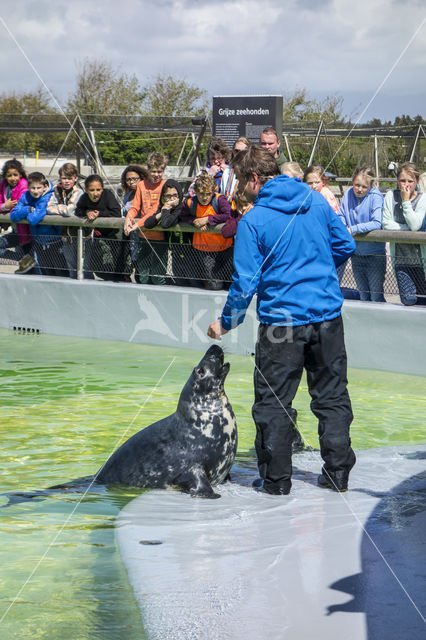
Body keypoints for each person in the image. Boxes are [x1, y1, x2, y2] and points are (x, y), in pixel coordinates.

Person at [207, 146, 356, 495]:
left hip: (281, 323)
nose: (239, 188)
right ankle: (338, 474)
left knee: (274, 402)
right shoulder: (317, 201)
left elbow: (245, 283)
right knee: (332, 396)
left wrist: (226, 322)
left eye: (242, 181)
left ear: (255, 179)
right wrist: (317, 269)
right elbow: (345, 245)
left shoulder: (254, 220)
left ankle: (276, 481)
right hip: (327, 317)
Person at [338, 167, 386, 302]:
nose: (359, 189)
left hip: (374, 255)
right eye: (357, 185)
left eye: (364, 187)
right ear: (352, 182)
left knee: (376, 295)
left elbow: (377, 222)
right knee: (363, 296)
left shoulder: (376, 197)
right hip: (356, 254)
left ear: (371, 186)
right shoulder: (348, 194)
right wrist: (343, 226)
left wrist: (353, 229)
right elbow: (341, 214)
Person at [382, 162, 426, 306]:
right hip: (400, 260)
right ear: (397, 181)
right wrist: (408, 229)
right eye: (402, 180)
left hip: (421, 261)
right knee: (408, 299)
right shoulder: (391, 196)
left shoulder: (422, 198)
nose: (406, 184)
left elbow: (415, 224)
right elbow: (386, 224)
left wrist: (406, 201)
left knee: (422, 301)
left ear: (416, 181)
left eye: (410, 181)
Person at [179, 173, 233, 290]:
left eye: (208, 194)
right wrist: (194, 221)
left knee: (230, 281)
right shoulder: (190, 203)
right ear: (196, 192)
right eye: (201, 194)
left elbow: (229, 214)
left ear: (213, 192)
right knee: (215, 284)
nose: (204, 197)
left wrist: (208, 219)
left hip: (226, 247)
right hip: (205, 250)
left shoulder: (219, 200)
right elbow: (181, 216)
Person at [10, 171, 68, 276]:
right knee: (45, 271)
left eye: (38, 188)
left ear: (44, 187)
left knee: (60, 271)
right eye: (33, 188)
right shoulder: (26, 195)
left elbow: (33, 219)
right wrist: (28, 209)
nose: (36, 191)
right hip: (38, 241)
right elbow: (13, 215)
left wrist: (24, 212)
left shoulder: (48, 197)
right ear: (28, 187)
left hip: (54, 241)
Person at [123, 152, 168, 285]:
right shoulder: (142, 185)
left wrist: (137, 225)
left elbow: (156, 210)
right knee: (142, 275)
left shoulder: (166, 185)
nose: (156, 174)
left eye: (160, 171)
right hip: (143, 237)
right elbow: (135, 206)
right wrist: (128, 219)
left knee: (157, 276)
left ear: (164, 170)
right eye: (153, 171)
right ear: (149, 170)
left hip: (159, 238)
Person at [144, 178, 192, 286]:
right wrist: (161, 212)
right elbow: (147, 224)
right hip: (175, 252)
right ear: (163, 197)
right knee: (179, 282)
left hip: (190, 252)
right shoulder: (165, 208)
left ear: (180, 195)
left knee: (193, 282)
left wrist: (165, 210)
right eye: (168, 196)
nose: (171, 199)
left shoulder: (182, 208)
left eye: (175, 195)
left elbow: (166, 224)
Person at [75, 174, 122, 281]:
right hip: (99, 237)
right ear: (86, 190)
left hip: (115, 235)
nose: (95, 193)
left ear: (102, 188)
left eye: (98, 189)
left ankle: (120, 280)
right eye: (92, 190)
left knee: (118, 264)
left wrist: (98, 214)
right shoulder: (84, 197)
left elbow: (117, 212)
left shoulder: (107, 195)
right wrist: (87, 212)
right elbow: (78, 210)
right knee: (98, 267)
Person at [46, 162, 85, 278]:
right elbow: (48, 208)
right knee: (70, 264)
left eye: (70, 178)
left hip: (80, 234)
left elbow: (70, 211)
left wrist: (59, 208)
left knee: (84, 265)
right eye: (64, 178)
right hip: (65, 235)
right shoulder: (56, 190)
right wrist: (64, 209)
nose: (67, 181)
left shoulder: (78, 192)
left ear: (75, 179)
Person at [118, 164, 149, 282]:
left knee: (143, 270)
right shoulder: (128, 195)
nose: (131, 182)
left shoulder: (147, 194)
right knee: (131, 267)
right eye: (128, 179)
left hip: (143, 235)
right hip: (130, 236)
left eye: (134, 179)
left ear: (142, 178)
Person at [0, 159, 31, 268]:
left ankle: (26, 259)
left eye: (15, 175)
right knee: (27, 263)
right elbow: (3, 204)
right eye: (9, 175)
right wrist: (5, 206)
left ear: (20, 174)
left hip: (27, 232)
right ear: (5, 176)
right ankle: (23, 258)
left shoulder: (24, 185)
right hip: (15, 230)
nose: (13, 178)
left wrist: (7, 208)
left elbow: (20, 208)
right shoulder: (4, 186)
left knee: (35, 268)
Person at [220, 137, 251, 201]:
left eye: (243, 151)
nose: (239, 154)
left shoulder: (252, 172)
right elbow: (222, 195)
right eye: (237, 151)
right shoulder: (227, 172)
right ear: (233, 152)